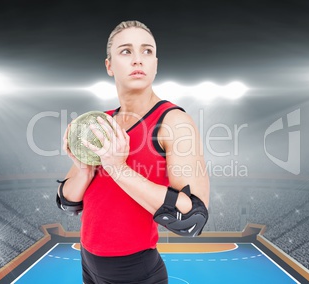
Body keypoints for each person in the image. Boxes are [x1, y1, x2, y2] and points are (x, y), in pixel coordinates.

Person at [57, 20, 210, 284]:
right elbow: (67, 201)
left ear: (156, 64)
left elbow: (192, 218)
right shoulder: (100, 122)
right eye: (126, 51)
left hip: (135, 270)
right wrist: (83, 170)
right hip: (88, 264)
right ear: (109, 65)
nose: (138, 59)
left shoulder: (172, 121)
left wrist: (117, 168)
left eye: (147, 51)